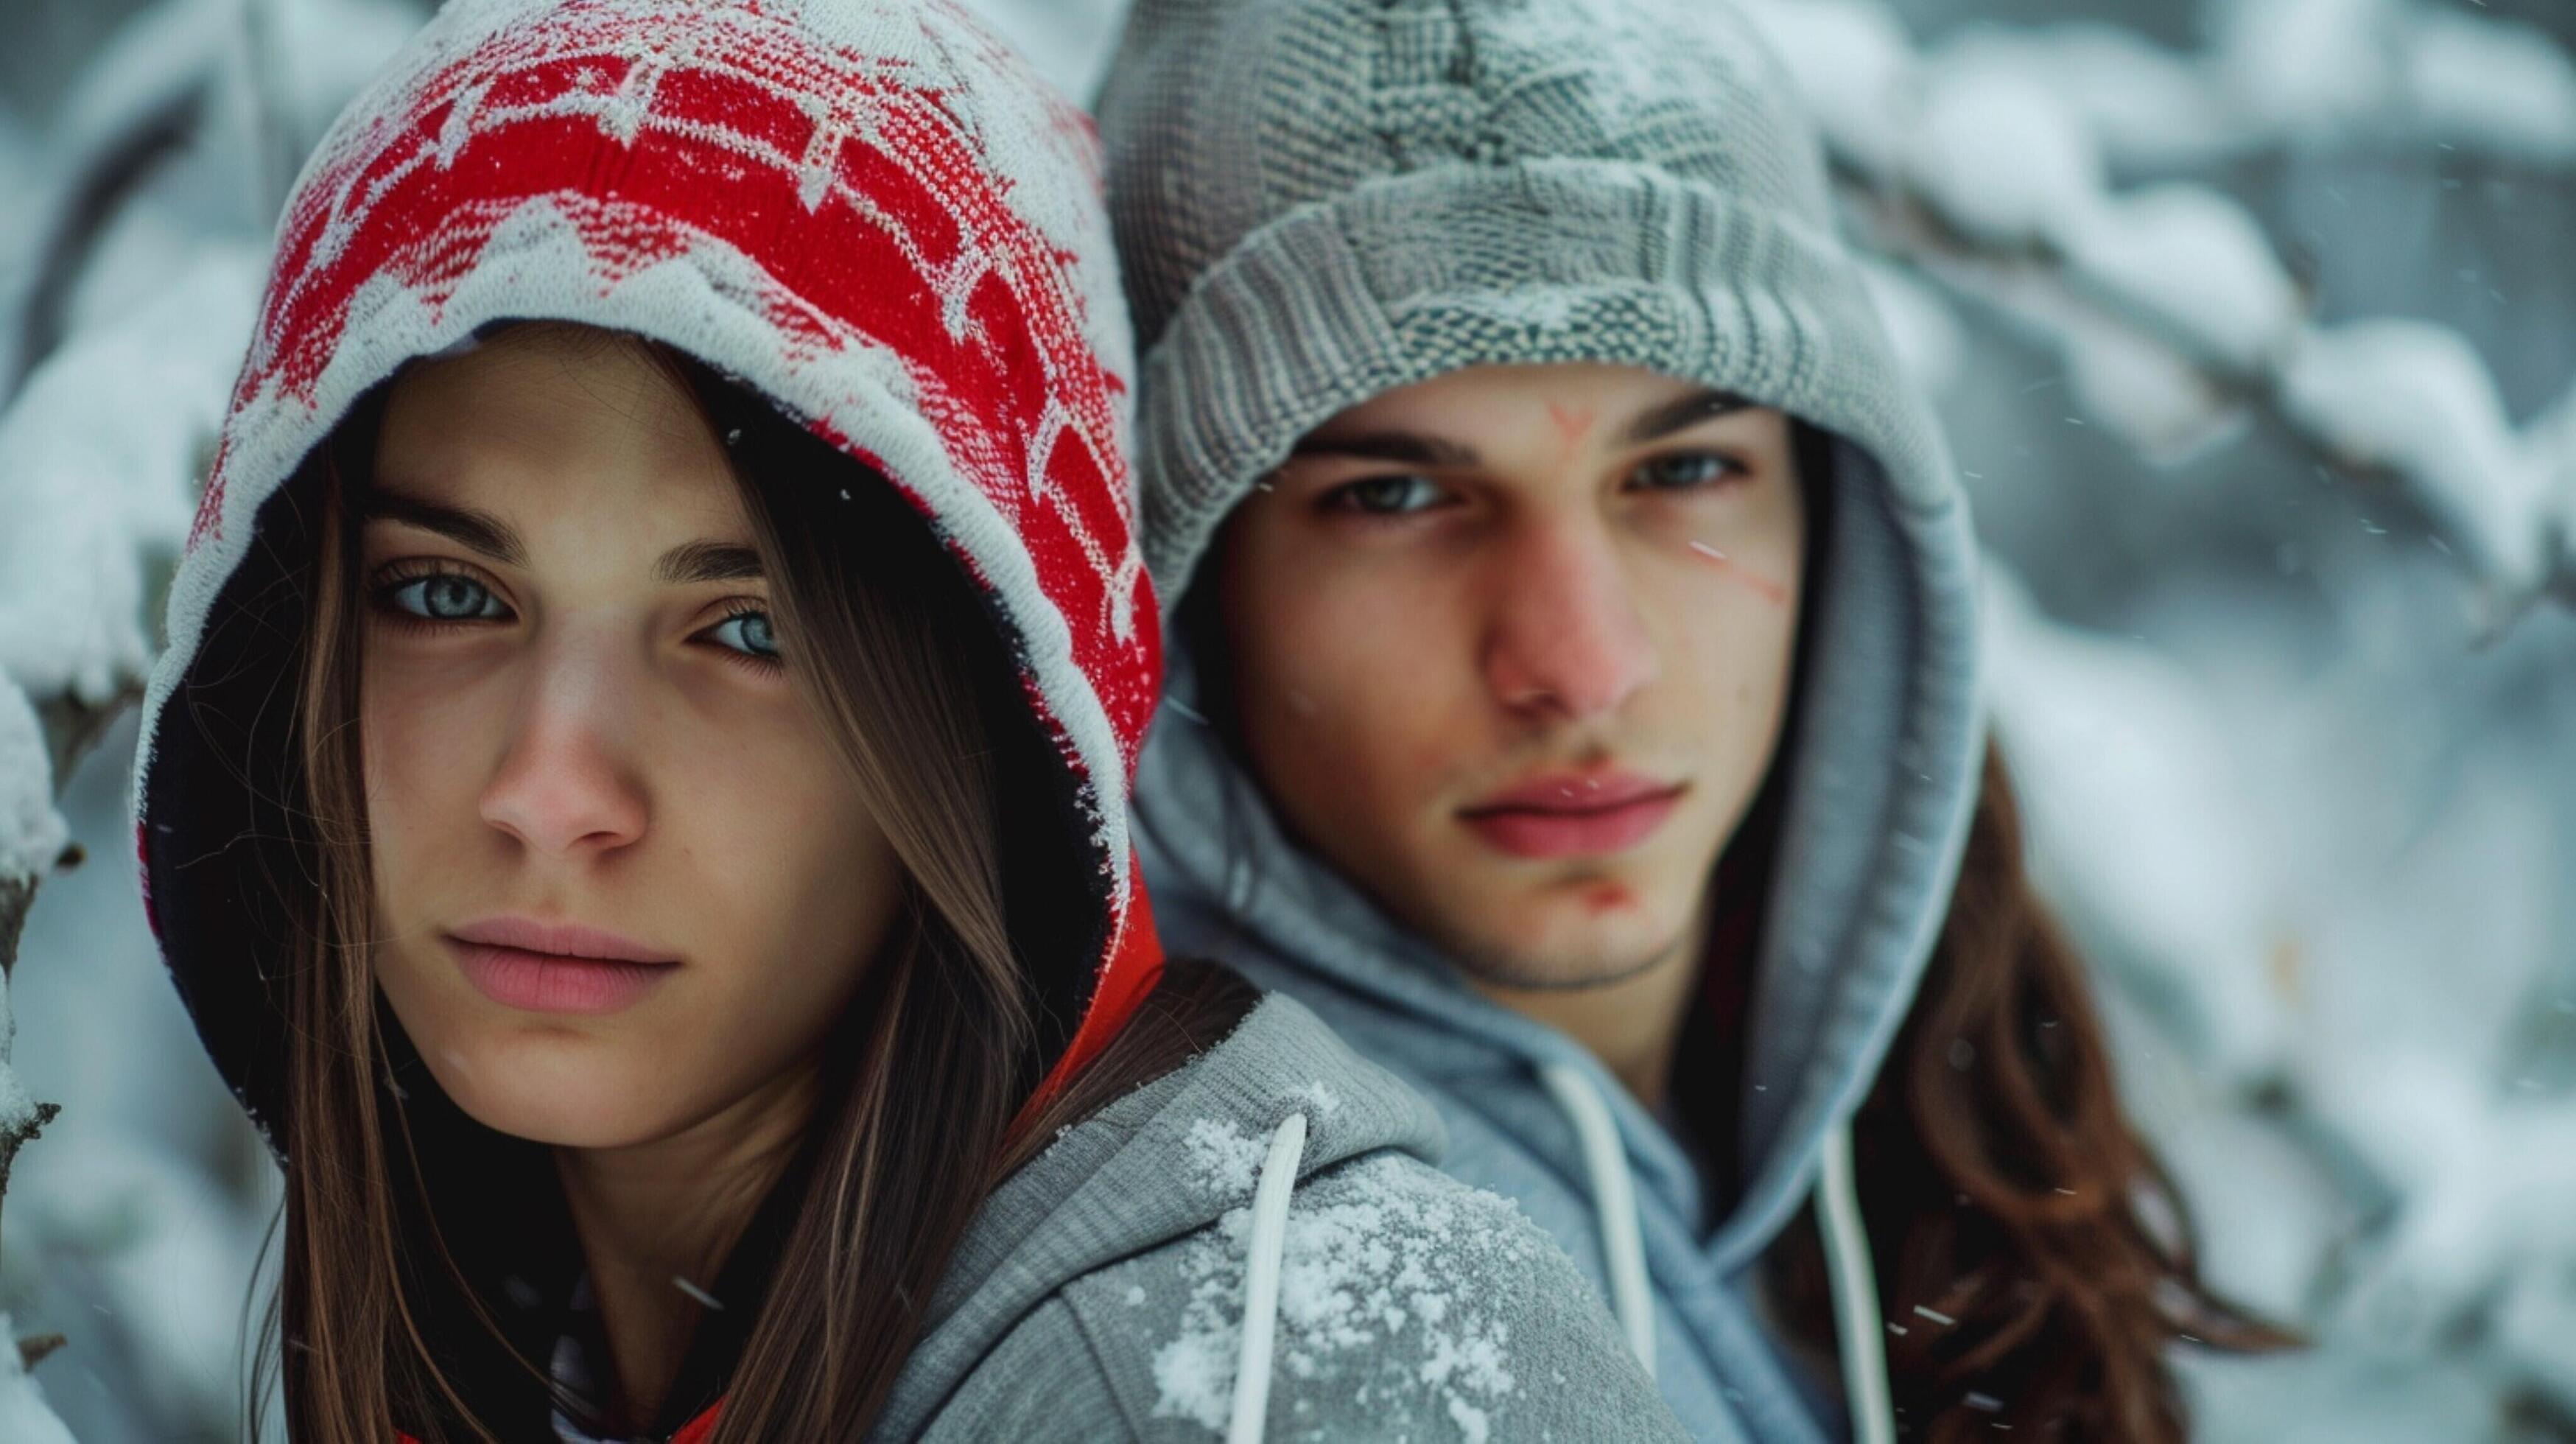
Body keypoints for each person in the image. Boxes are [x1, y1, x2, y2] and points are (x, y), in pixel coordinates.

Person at [130, 1, 1684, 1440]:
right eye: (451, 596)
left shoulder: (1310, 1381)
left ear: (1001, 720)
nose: (550, 789)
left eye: (751, 630)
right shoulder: (568, 1339)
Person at [1099, 0, 2284, 1440]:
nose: (1583, 665)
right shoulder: (1268, 1325)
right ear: (1190, 580)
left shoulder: (1940, 1111)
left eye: (1687, 469)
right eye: (1395, 494)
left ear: (1838, 519)